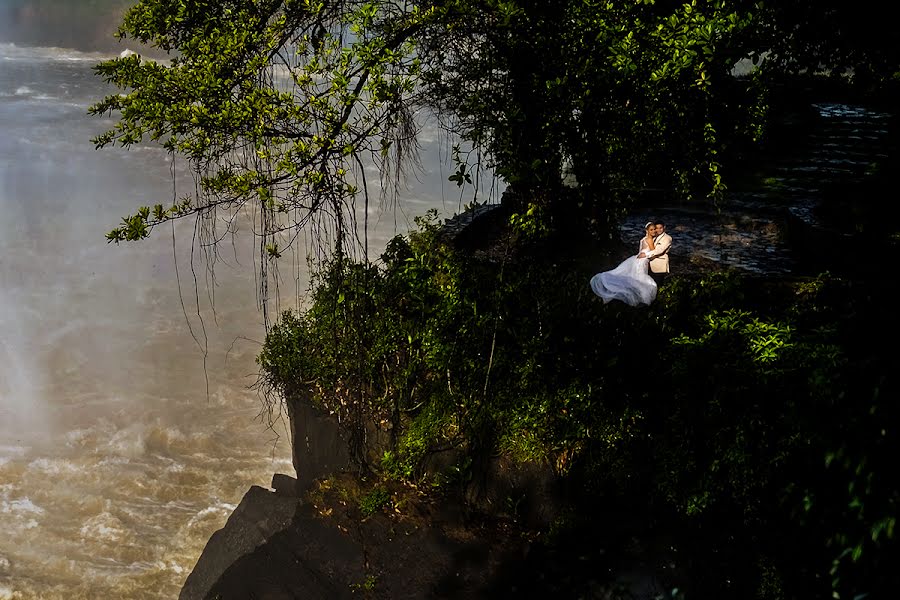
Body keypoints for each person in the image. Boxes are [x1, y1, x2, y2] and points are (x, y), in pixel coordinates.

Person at [590, 222, 658, 306]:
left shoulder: (643, 239)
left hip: (636, 259)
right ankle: (640, 296)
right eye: (651, 229)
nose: (654, 231)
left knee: (632, 275)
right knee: (640, 277)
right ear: (647, 231)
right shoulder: (650, 240)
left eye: (654, 229)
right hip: (643, 260)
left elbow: (640, 251)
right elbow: (653, 252)